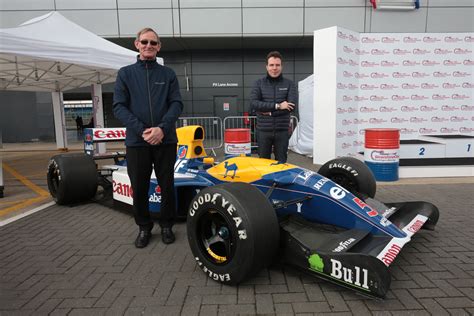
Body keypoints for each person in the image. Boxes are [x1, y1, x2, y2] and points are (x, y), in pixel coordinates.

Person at [113, 27, 183, 248]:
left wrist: (161, 129)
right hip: (137, 142)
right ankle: (144, 228)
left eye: (153, 43)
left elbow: (176, 104)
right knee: (140, 187)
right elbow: (119, 107)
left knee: (167, 185)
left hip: (166, 140)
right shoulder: (125, 74)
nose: (149, 46)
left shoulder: (168, 74)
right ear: (137, 44)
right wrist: (143, 130)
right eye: (145, 42)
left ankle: (166, 226)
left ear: (159, 47)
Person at [250, 51, 297, 163]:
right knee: (263, 164)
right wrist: (278, 106)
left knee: (281, 163)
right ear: (267, 67)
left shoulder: (289, 84)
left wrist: (270, 112)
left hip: (282, 131)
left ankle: (280, 182)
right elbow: (254, 103)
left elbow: (291, 107)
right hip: (263, 131)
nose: (274, 68)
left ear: (281, 66)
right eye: (271, 65)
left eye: (277, 65)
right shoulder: (258, 83)